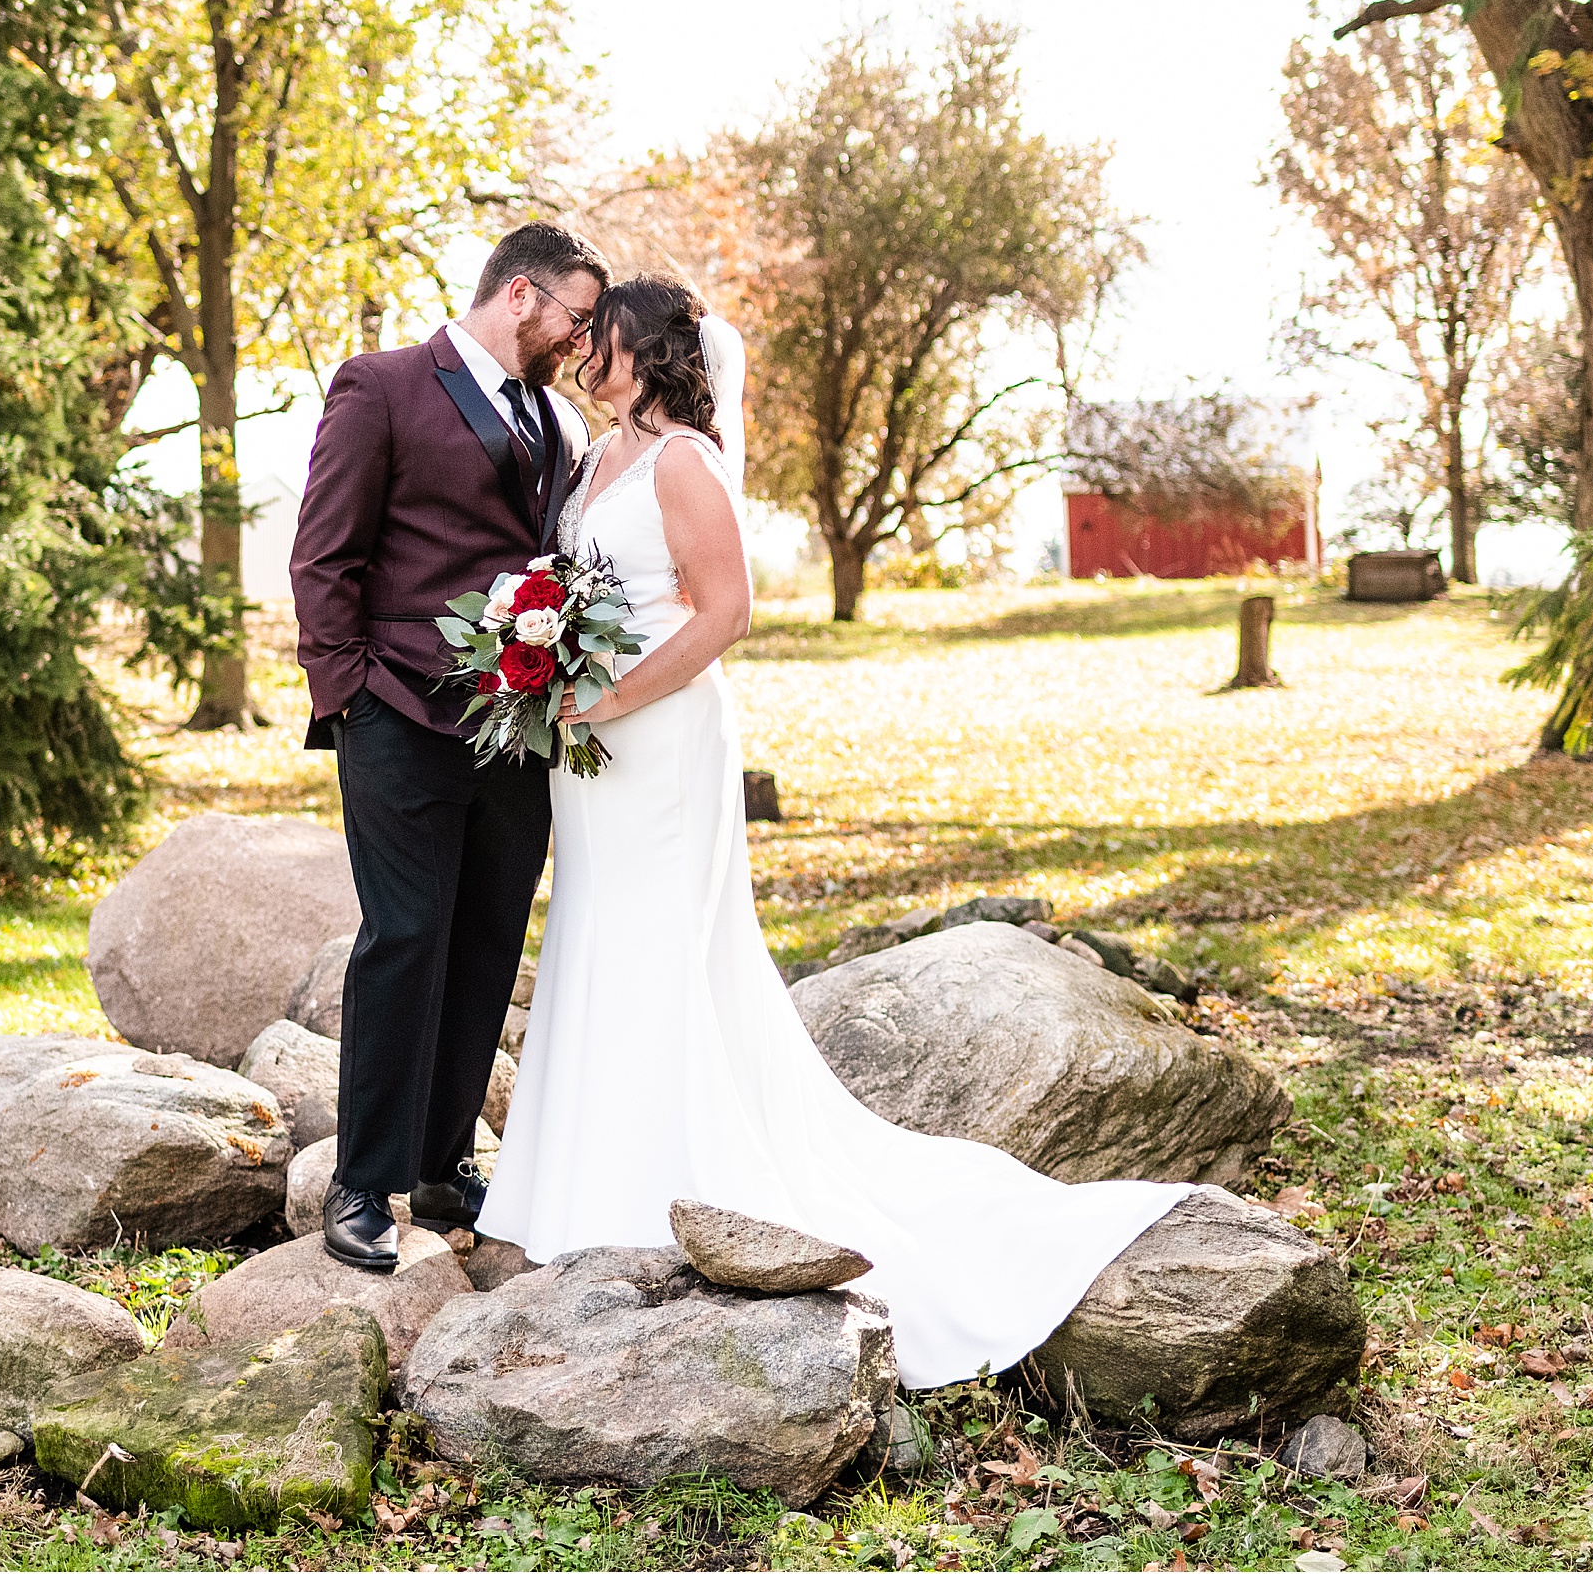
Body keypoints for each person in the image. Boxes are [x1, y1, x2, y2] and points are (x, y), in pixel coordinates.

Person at [476, 274, 1188, 1387]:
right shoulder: (593, 452)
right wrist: (548, 651)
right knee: (593, 935)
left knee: (657, 942)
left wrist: (612, 696)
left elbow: (725, 613)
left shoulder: (684, 461)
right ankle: (573, 1181)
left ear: (645, 346)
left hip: (657, 741)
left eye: (600, 329)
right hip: (589, 754)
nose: (582, 341)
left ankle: (653, 1180)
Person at [290, 221, 610, 1272]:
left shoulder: (553, 423)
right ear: (520, 295)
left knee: (484, 941)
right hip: (398, 715)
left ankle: (437, 1162)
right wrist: (349, 698)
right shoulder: (379, 384)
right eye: (574, 313)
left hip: (511, 729)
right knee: (404, 936)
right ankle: (360, 1182)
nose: (580, 337)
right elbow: (323, 555)